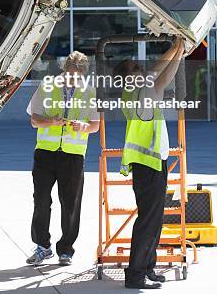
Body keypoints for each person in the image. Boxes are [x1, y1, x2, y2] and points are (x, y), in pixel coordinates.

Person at [114, 38, 185, 290]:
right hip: (147, 164)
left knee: (155, 221)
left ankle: (148, 268)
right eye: (135, 68)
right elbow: (157, 69)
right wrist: (175, 47)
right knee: (148, 221)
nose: (141, 69)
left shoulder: (143, 89)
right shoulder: (133, 90)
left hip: (156, 161)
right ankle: (135, 276)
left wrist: (180, 53)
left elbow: (164, 79)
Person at [26, 51, 100, 266]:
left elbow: (95, 125)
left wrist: (84, 126)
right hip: (45, 153)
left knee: (70, 205)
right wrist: (51, 122)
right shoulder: (47, 85)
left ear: (83, 74)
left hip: (73, 155)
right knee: (41, 201)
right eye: (69, 74)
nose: (72, 79)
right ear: (64, 70)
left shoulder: (90, 91)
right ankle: (42, 246)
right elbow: (34, 120)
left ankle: (66, 250)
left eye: (76, 76)